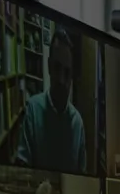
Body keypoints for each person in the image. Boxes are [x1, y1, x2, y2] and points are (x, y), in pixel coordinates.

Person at [14, 28, 87, 173]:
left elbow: (82, 176)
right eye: (57, 67)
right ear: (48, 66)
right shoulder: (32, 110)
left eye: (67, 72)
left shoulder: (78, 123)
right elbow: (22, 169)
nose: (61, 79)